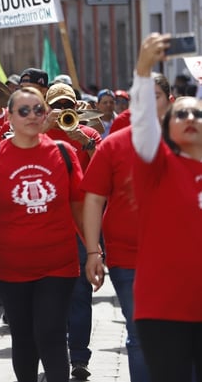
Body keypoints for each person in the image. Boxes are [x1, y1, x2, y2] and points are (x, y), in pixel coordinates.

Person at [0, 86, 84, 382]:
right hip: (9, 267)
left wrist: (94, 251)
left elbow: (80, 204)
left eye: (38, 110)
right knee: (23, 336)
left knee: (51, 333)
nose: (32, 116)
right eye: (23, 110)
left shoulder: (63, 152)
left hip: (58, 263)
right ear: (9, 117)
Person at [81, 74, 171, 382]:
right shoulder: (114, 145)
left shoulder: (189, 140)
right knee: (140, 330)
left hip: (180, 257)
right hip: (128, 257)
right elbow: (93, 199)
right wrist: (93, 250)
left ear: (169, 102)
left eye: (155, 96)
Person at [128, 33, 202, 381]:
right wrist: (143, 70)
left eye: (197, 113)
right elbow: (142, 122)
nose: (189, 117)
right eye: (181, 113)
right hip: (164, 310)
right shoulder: (154, 166)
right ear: (167, 127)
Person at [43, 82, 101, 380]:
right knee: (48, 295)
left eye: (67, 105)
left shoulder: (88, 134)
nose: (62, 111)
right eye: (56, 106)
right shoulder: (36, 134)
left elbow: (108, 171)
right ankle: (54, 353)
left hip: (79, 227)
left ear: (76, 106)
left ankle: (79, 356)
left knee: (80, 293)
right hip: (45, 224)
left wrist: (84, 140)